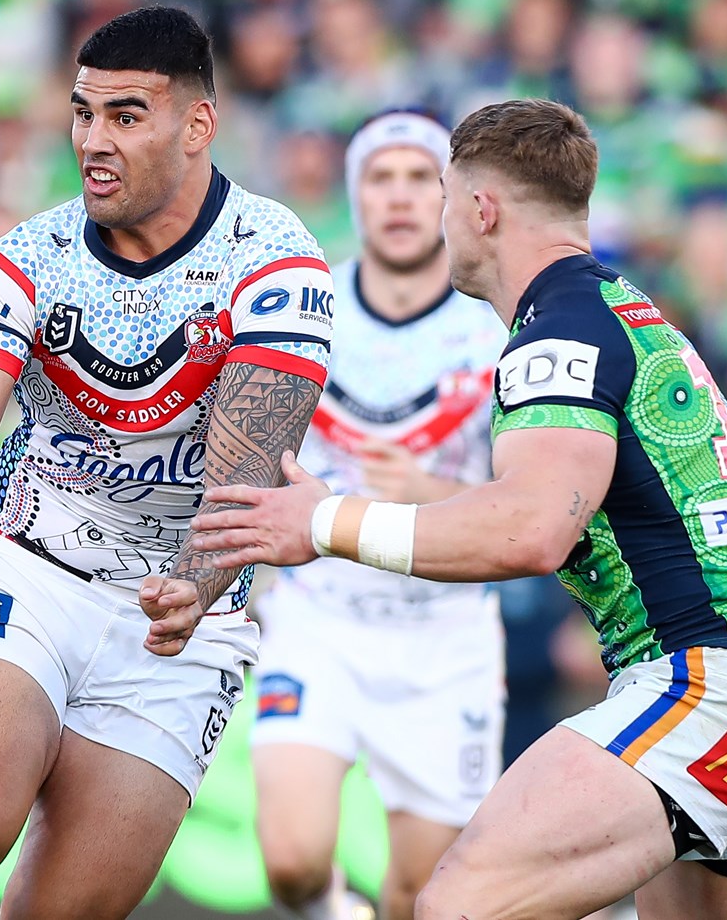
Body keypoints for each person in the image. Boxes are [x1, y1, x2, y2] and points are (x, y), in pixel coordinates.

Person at [190, 98, 727, 920]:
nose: (437, 219)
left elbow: (529, 530)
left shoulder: (558, 336)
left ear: (481, 210)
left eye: (443, 195)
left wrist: (321, 521)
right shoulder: (619, 309)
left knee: (457, 904)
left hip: (702, 690)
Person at [0, 6, 334, 920]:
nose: (93, 141)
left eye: (125, 116)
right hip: (23, 570)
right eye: (82, 112)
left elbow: (244, 478)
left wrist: (195, 582)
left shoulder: (275, 266)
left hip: (179, 619)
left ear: (198, 124)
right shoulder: (22, 263)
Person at [249, 109, 505, 920]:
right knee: (291, 862)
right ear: (353, 194)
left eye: (419, 178)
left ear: (452, 196)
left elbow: (530, 506)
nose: (398, 197)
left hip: (445, 637)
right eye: (378, 177)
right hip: (318, 618)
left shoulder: (497, 328)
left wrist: (430, 494)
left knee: (421, 896)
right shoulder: (303, 310)